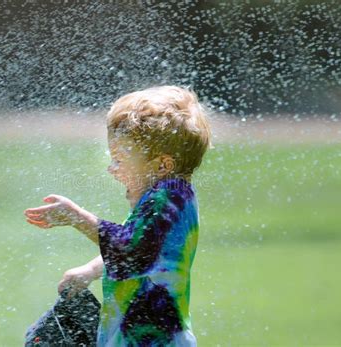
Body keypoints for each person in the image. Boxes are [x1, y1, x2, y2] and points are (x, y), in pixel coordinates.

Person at [24, 85, 212, 346]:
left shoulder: (169, 199)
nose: (112, 169)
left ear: (162, 165)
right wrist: (90, 270)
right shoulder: (164, 198)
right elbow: (138, 247)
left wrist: (76, 217)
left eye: (120, 160)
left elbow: (131, 250)